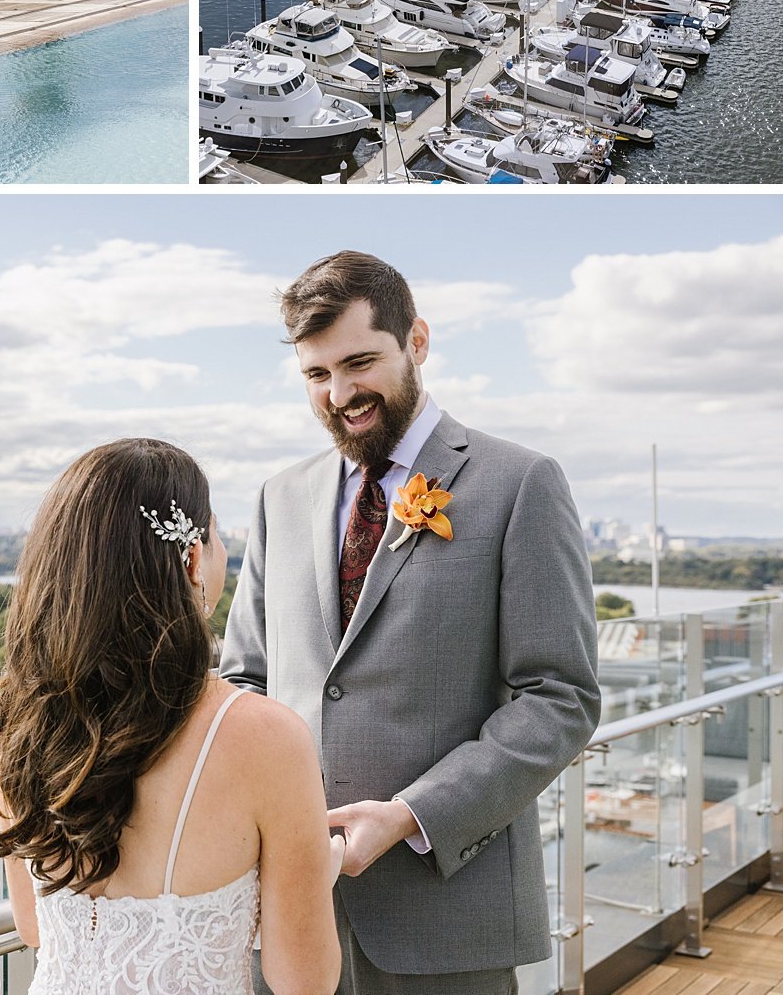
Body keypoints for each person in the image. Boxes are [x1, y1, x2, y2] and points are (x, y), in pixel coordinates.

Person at [220, 250, 601, 995]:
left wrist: (409, 814)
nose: (339, 393)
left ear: (416, 341)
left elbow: (561, 696)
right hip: (291, 918)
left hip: (446, 914)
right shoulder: (280, 497)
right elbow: (245, 679)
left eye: (359, 362)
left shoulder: (520, 483)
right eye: (316, 375)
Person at [0, 437, 342, 995]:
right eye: (218, 534)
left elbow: (34, 928)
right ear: (193, 556)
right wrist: (322, 860)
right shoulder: (262, 736)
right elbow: (304, 980)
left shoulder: (24, 723)